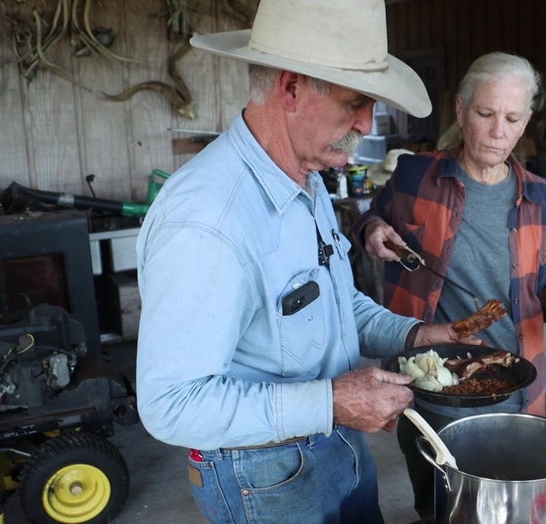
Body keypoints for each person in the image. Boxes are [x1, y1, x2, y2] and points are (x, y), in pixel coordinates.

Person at [134, 1, 480, 522]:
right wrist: (332, 404)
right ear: (292, 88)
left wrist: (419, 337)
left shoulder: (307, 180)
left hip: (336, 440)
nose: (367, 121)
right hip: (263, 477)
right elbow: (173, 405)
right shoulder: (208, 220)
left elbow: (336, 306)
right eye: (356, 101)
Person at [353, 51, 546, 519]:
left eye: (512, 118)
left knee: (503, 509)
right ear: (460, 109)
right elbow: (375, 214)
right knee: (437, 506)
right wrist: (372, 230)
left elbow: (541, 290)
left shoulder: (541, 198)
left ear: (526, 120)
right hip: (432, 384)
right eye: (485, 113)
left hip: (513, 386)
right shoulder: (416, 175)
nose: (498, 132)